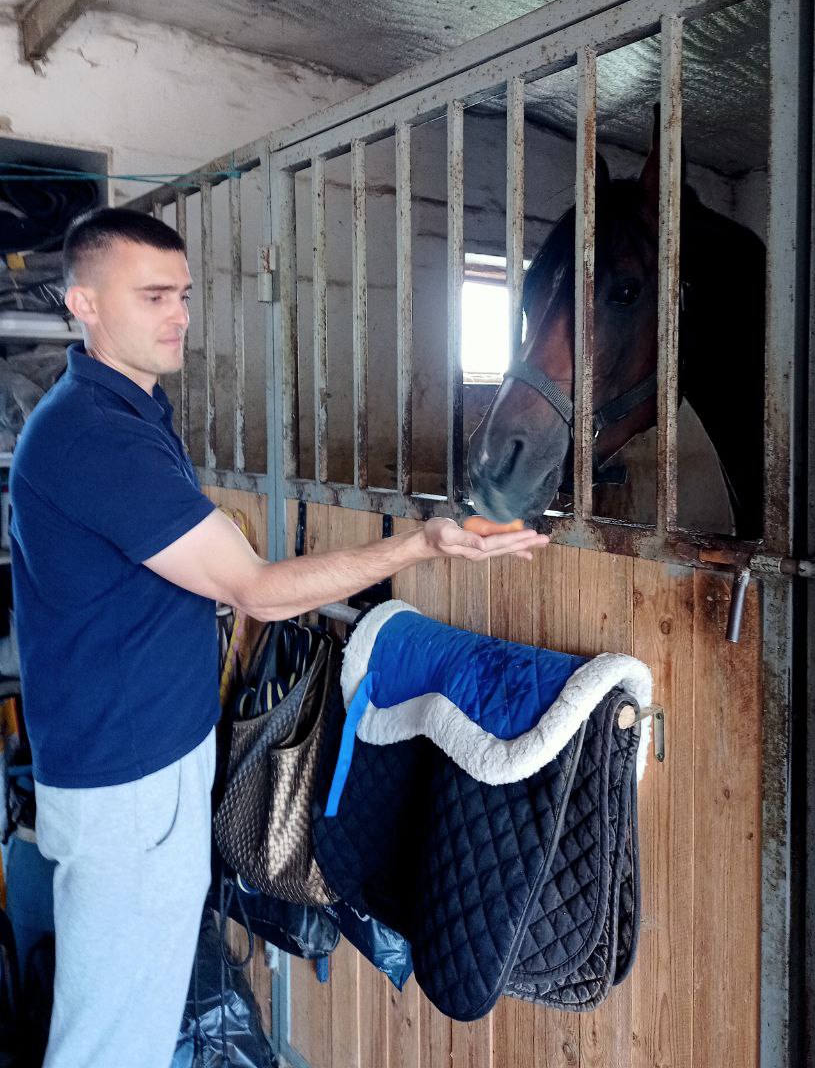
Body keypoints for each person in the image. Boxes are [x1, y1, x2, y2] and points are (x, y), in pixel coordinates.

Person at [8, 207, 548, 1068]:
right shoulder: (94, 435)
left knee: (135, 1010)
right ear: (85, 303)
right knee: (111, 1036)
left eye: (183, 294)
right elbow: (254, 588)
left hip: (145, 758)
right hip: (129, 780)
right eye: (153, 296)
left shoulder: (130, 410)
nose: (179, 315)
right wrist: (419, 543)